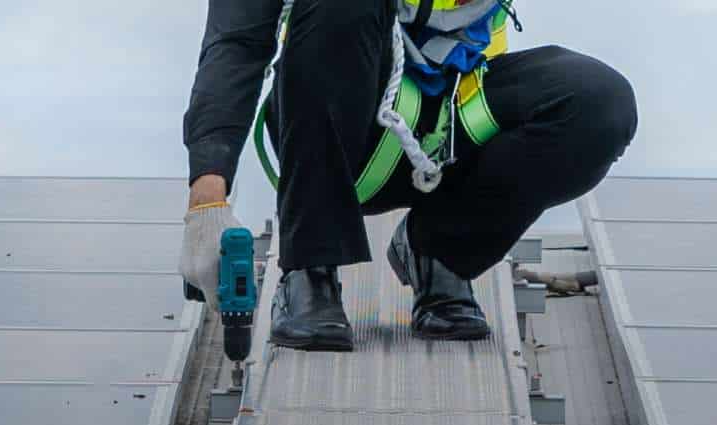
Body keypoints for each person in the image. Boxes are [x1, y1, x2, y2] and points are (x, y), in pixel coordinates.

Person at [178, 0, 637, 352]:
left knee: (598, 103)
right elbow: (235, 44)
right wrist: (207, 202)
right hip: (336, 133)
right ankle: (310, 274)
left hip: (449, 120)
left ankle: (440, 253)